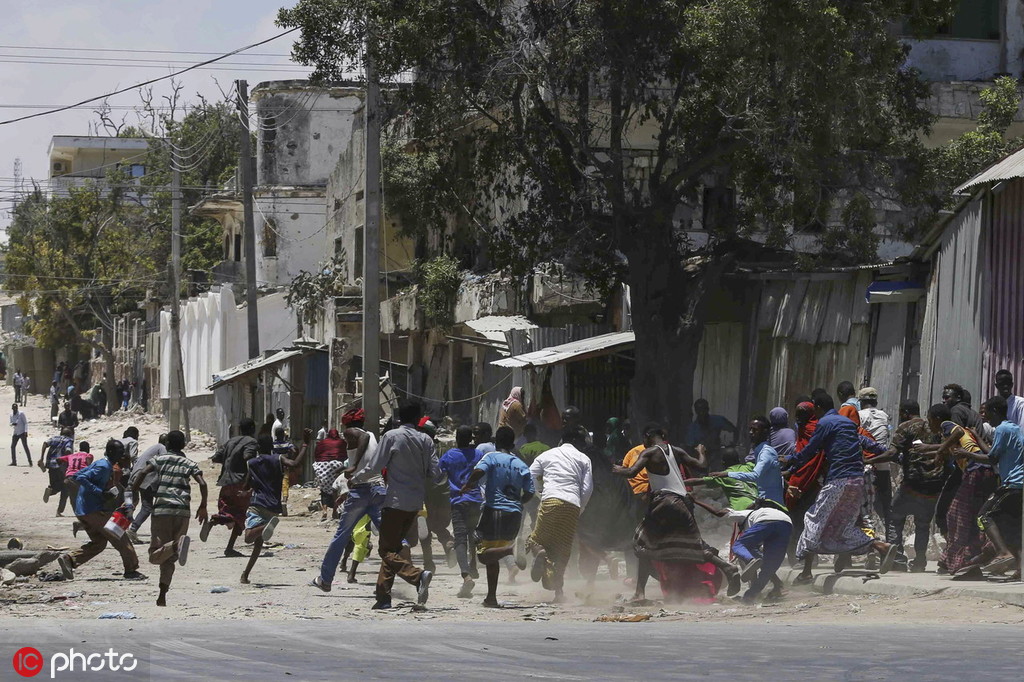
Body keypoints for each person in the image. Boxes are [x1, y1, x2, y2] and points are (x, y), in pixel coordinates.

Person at [613, 423, 740, 602]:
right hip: (682, 503)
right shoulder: (677, 450)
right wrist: (701, 450)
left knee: (642, 545)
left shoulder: (648, 452)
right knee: (693, 544)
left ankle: (639, 593)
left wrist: (616, 469)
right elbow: (702, 465)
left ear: (647, 437)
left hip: (662, 503)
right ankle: (728, 567)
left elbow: (632, 472)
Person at [787, 393, 897, 584]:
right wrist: (892, 455)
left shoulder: (825, 423)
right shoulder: (847, 423)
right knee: (843, 526)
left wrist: (790, 462)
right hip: (856, 480)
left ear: (819, 407)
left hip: (837, 479)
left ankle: (806, 572)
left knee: (813, 519)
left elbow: (811, 450)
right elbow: (869, 443)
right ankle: (881, 546)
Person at [360, 401, 438, 610]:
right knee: (393, 548)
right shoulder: (426, 440)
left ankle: (417, 576)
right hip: (415, 503)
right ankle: (383, 597)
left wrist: (356, 478)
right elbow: (435, 472)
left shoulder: (392, 436)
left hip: (395, 501)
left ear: (398, 419)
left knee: (386, 550)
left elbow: (375, 466)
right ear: (417, 418)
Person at [131, 430, 208, 607]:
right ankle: (162, 595)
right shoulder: (189, 463)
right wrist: (203, 506)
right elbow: (202, 483)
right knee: (170, 557)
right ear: (183, 445)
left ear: (166, 445)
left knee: (154, 555)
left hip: (162, 510)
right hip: (182, 511)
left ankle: (176, 545)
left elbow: (143, 472)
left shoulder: (160, 459)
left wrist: (133, 490)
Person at [310, 408, 384, 591]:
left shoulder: (355, 433)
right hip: (379, 489)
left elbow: (362, 439)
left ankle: (325, 580)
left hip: (361, 491)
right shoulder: (373, 435)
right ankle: (416, 574)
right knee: (391, 533)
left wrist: (353, 466)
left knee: (341, 536)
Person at [461, 425, 535, 607]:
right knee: (493, 556)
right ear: (512, 444)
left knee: (484, 556)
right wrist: (518, 502)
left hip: (493, 510)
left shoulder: (491, 457)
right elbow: (530, 491)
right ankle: (491, 598)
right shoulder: (521, 464)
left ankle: (511, 551)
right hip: (514, 514)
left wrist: (469, 484)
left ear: (496, 442)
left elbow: (479, 471)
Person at [868, 401, 946, 572]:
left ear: (904, 412)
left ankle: (897, 559)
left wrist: (868, 460)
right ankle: (919, 561)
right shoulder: (932, 426)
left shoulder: (905, 427)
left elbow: (892, 453)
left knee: (895, 517)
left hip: (913, 484)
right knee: (923, 524)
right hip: (933, 484)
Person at [923, 403, 998, 579]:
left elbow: (955, 436)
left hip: (975, 471)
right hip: (985, 473)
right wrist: (934, 453)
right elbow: (955, 448)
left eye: (929, 420)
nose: (929, 425)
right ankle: (970, 559)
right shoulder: (964, 433)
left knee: (956, 515)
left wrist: (939, 449)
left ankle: (965, 558)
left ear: (936, 419)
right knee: (971, 518)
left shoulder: (948, 426)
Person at [57, 439, 146, 582]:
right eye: (119, 453)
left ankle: (70, 559)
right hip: (95, 510)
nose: (121, 455)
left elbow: (80, 474)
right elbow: (79, 476)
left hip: (84, 510)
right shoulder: (104, 466)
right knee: (121, 538)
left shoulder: (101, 463)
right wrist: (99, 492)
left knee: (99, 543)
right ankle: (131, 570)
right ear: (111, 452)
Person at [526, 424, 594, 602]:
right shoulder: (583, 458)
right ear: (576, 442)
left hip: (550, 500)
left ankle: (540, 552)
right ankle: (559, 593)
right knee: (563, 550)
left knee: (536, 540)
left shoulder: (547, 455)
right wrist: (581, 508)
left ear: (561, 441)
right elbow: (587, 488)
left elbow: (530, 474)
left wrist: (539, 492)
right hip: (572, 504)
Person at [960, 396, 1024, 578]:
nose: (985, 416)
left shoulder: (1002, 429)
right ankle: (1020, 568)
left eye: (986, 412)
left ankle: (1003, 553)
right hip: (1019, 484)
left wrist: (966, 454)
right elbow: (995, 452)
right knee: (1009, 526)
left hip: (1012, 484)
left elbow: (991, 458)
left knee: (984, 515)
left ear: (994, 411)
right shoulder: (1014, 429)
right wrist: (978, 438)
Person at [695, 496, 792, 603]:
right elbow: (756, 550)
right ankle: (750, 595)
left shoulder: (745, 514)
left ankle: (750, 560)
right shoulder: (768, 513)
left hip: (765, 521)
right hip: (787, 524)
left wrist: (696, 501)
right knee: (768, 569)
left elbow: (718, 512)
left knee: (738, 545)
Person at [240, 435, 297, 584]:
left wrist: (245, 492)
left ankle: (265, 527)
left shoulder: (251, 463)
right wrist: (304, 446)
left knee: (248, 538)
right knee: (257, 544)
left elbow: (246, 485)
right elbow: (294, 463)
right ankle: (245, 574)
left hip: (258, 504)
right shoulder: (277, 459)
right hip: (273, 506)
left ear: (258, 448)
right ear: (272, 447)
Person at [438, 425, 484, 598]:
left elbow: (438, 477)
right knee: (473, 535)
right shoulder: (479, 455)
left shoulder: (449, 456)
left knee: (460, 539)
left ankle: (466, 575)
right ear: (471, 439)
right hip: (476, 500)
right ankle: (473, 564)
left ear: (456, 438)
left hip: (457, 501)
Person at [204, 419, 258, 556]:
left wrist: (230, 459)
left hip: (225, 482)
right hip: (240, 482)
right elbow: (248, 459)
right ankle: (229, 548)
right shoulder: (252, 442)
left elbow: (216, 457)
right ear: (252, 428)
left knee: (228, 509)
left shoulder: (230, 441)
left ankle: (215, 520)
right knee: (240, 515)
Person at [709, 416, 784, 505]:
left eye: (755, 430)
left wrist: (727, 474)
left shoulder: (766, 452)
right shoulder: (760, 451)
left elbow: (755, 476)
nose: (750, 432)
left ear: (765, 432)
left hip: (772, 504)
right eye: (750, 429)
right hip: (764, 501)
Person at [127, 434, 169, 544]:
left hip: (138, 478)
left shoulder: (154, 447)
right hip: (146, 480)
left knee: (144, 505)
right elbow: (165, 463)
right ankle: (133, 529)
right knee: (148, 507)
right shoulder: (162, 448)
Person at [685, 399, 737, 472]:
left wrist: (733, 444)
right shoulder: (693, 428)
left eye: (704, 410)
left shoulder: (717, 420)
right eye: (699, 410)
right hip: (701, 457)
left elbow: (734, 430)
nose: (702, 413)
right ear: (696, 411)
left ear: (708, 409)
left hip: (717, 456)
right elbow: (689, 447)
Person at [274, 427, 311, 516]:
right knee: (285, 483)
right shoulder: (287, 444)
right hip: (285, 465)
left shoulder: (273, 444)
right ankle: (284, 501)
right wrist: (290, 457)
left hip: (275, 465)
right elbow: (294, 450)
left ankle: (276, 504)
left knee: (276, 485)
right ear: (283, 435)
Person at [40, 427, 75, 516]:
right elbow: (68, 450)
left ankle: (51, 490)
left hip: (50, 466)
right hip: (60, 466)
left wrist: (41, 458)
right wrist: (69, 461)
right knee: (65, 488)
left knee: (56, 485)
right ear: (70, 434)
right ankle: (59, 511)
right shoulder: (69, 440)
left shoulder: (54, 438)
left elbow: (45, 444)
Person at [313, 428, 347, 515]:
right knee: (336, 489)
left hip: (322, 466)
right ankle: (335, 511)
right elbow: (345, 454)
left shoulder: (322, 442)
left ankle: (324, 511)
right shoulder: (342, 442)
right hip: (337, 465)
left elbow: (316, 454)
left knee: (324, 489)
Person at [56, 441, 93, 519]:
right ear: (88, 449)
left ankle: (59, 511)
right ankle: (83, 517)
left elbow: (58, 459)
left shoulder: (71, 455)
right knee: (82, 497)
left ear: (79, 448)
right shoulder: (88, 455)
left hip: (68, 477)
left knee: (68, 495)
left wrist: (64, 470)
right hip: (79, 478)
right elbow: (89, 466)